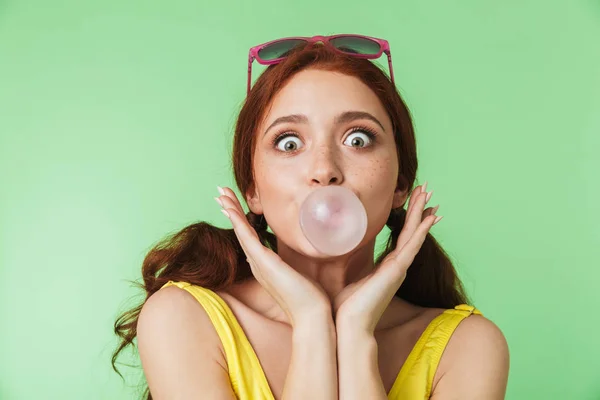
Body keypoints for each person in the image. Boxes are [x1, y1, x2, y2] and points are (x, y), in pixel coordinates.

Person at [112, 34, 510, 400]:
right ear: (253, 190)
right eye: (289, 142)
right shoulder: (182, 319)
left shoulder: (467, 346)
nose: (324, 169)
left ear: (400, 185)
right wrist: (311, 322)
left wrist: (355, 335)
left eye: (358, 139)